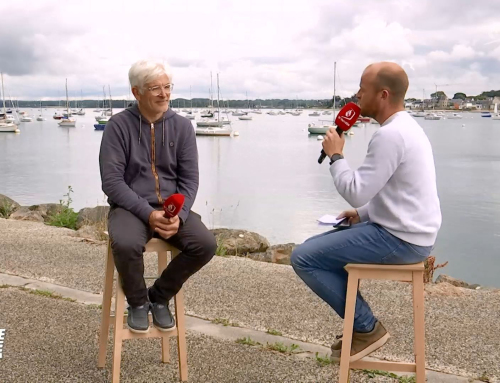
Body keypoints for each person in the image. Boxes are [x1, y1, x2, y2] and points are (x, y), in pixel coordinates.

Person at [290, 62, 441, 362]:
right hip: (409, 232)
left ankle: (365, 327)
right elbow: (398, 192)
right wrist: (362, 214)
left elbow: (356, 188)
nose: (357, 94)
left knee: (303, 257)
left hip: (401, 239)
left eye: (363, 88)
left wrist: (336, 155)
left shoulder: (390, 136)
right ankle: (359, 325)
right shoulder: (407, 127)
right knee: (319, 247)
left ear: (383, 95)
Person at [99, 60, 217, 333]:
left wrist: (181, 215)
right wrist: (148, 214)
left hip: (171, 209)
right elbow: (112, 182)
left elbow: (189, 180)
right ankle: (138, 303)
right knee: (126, 244)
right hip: (129, 208)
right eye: (155, 88)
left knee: (205, 244)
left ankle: (159, 296)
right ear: (136, 92)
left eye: (167, 87)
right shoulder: (117, 126)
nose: (164, 94)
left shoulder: (183, 127)